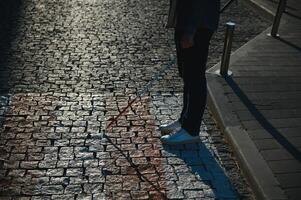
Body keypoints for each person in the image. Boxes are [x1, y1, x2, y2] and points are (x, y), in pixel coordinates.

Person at [160, 0, 220, 144]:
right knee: (188, 75)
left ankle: (191, 129)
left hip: (196, 26)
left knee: (195, 77)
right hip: (189, 22)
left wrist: (190, 31)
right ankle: (184, 120)